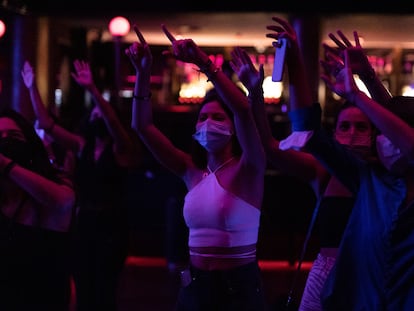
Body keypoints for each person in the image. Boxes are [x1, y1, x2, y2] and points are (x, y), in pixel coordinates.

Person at [229, 17, 376, 311]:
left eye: (362, 128)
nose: (352, 134)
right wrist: (255, 95)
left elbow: (307, 125)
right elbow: (271, 147)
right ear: (335, 133)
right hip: (325, 271)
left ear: (375, 135)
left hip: (369, 271)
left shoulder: (383, 174)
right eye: (345, 127)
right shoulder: (323, 171)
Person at [125, 24, 267, 311]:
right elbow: (142, 126)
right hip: (195, 283)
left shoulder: (249, 166)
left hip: (237, 287)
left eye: (217, 117)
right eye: (202, 118)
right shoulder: (191, 171)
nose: (207, 123)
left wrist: (204, 62)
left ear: (233, 128)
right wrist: (142, 73)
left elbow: (242, 109)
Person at [280, 38, 414, 310]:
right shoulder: (368, 178)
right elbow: (307, 127)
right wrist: (294, 58)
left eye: (390, 133)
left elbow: (410, 145)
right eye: (382, 134)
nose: (385, 140)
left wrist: (360, 92)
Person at [21, 59, 141, 311]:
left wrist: (94, 91)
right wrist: (31, 88)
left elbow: (114, 124)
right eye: (94, 112)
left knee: (105, 288)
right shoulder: (81, 145)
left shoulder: (121, 147)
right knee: (83, 285)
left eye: (101, 112)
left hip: (111, 224)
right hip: (84, 222)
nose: (97, 114)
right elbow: (46, 124)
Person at [0, 108, 76, 310]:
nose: (6, 141)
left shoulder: (55, 185)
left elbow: (62, 203)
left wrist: (6, 164)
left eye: (13, 136)